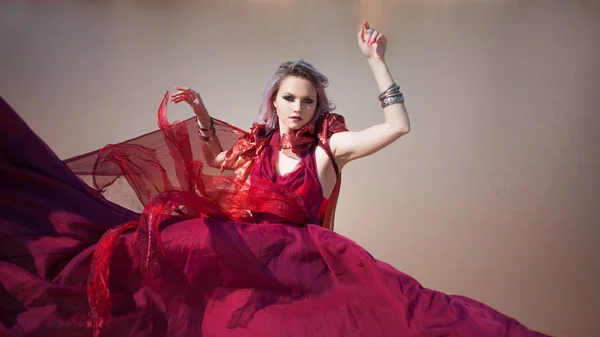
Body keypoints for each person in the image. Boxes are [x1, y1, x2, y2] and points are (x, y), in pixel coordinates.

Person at [0, 21, 550, 337]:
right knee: (145, 247)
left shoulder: (329, 151)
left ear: (317, 108)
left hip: (305, 265)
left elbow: (399, 126)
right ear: (276, 100)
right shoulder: (257, 146)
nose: (296, 108)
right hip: (243, 257)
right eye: (289, 98)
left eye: (307, 101)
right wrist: (203, 112)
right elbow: (216, 164)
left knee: (414, 314)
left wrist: (376, 60)